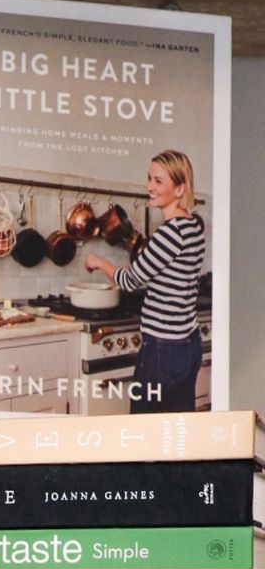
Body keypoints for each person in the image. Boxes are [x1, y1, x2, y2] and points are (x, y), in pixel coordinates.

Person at [84, 151, 205, 412]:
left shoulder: (170, 233)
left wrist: (98, 261)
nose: (150, 186)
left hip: (163, 346)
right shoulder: (193, 226)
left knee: (145, 429)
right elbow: (166, 271)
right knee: (177, 429)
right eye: (149, 178)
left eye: (159, 181)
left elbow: (129, 281)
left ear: (180, 188)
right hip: (188, 342)